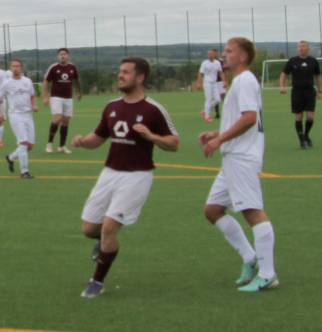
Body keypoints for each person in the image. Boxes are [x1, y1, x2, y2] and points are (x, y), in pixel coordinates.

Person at [71, 57, 180, 298]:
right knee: (90, 229)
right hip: (110, 173)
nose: (120, 75)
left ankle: (97, 282)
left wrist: (151, 136)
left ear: (140, 78)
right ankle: (102, 243)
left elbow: (174, 144)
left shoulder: (153, 109)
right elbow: (97, 138)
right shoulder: (111, 107)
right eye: (120, 71)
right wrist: (83, 142)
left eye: (126, 72)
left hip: (137, 177)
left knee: (109, 228)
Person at [200, 37, 279, 292]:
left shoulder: (244, 80)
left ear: (243, 56)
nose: (224, 54)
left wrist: (220, 138)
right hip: (234, 155)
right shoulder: (240, 81)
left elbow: (249, 118)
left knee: (252, 212)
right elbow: (240, 119)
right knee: (213, 209)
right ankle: (250, 258)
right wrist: (216, 134)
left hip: (242, 157)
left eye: (229, 51)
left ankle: (268, 274)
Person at [0, 59, 38, 179]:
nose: (15, 68)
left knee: (30, 146)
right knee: (23, 142)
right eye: (13, 66)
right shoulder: (7, 83)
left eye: (18, 66)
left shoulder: (27, 81)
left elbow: (33, 96)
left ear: (22, 68)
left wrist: (34, 105)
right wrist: (0, 113)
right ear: (10, 68)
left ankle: (11, 157)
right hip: (15, 115)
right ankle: (24, 171)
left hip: (27, 115)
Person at [279, 40, 322, 149]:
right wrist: (282, 86)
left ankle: (306, 135)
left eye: (303, 47)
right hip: (297, 92)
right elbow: (284, 74)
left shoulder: (313, 61)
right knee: (298, 116)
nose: (301, 48)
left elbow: (318, 76)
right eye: (300, 47)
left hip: (309, 91)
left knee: (310, 116)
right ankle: (301, 141)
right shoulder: (293, 61)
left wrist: (319, 91)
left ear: (308, 49)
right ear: (298, 49)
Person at [42, 48, 81, 154]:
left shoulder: (72, 67)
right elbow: (46, 82)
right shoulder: (54, 68)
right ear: (58, 56)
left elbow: (77, 79)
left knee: (66, 121)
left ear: (68, 56)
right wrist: (46, 97)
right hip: (56, 97)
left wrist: (79, 92)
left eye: (64, 54)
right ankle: (49, 144)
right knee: (58, 118)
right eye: (60, 54)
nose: (62, 56)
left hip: (68, 98)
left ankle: (62, 146)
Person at [195, 48, 224, 122]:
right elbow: (200, 74)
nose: (210, 55)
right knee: (209, 98)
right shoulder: (205, 63)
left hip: (215, 83)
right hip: (207, 82)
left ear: (214, 54)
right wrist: (199, 83)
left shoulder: (217, 63)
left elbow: (221, 72)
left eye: (211, 54)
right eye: (209, 54)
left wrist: (224, 82)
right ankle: (207, 117)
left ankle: (205, 111)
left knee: (218, 99)